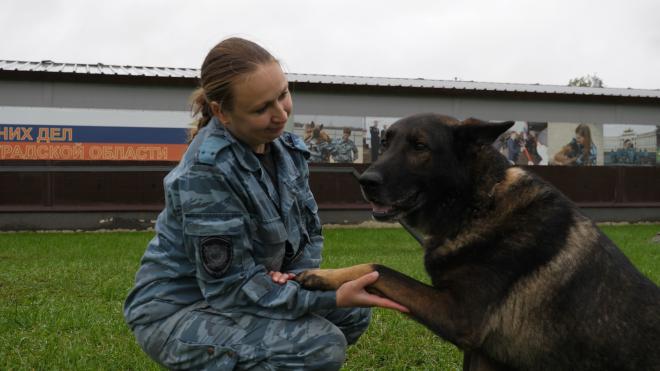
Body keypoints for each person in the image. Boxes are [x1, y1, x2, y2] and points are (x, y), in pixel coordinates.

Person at [123, 37, 406, 370]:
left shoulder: (287, 150)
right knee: (320, 345)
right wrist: (325, 295)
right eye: (261, 109)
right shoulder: (206, 171)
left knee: (353, 312)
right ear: (221, 113)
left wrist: (297, 280)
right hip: (180, 311)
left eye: (283, 94)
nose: (280, 114)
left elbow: (306, 238)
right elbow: (229, 288)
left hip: (247, 288)